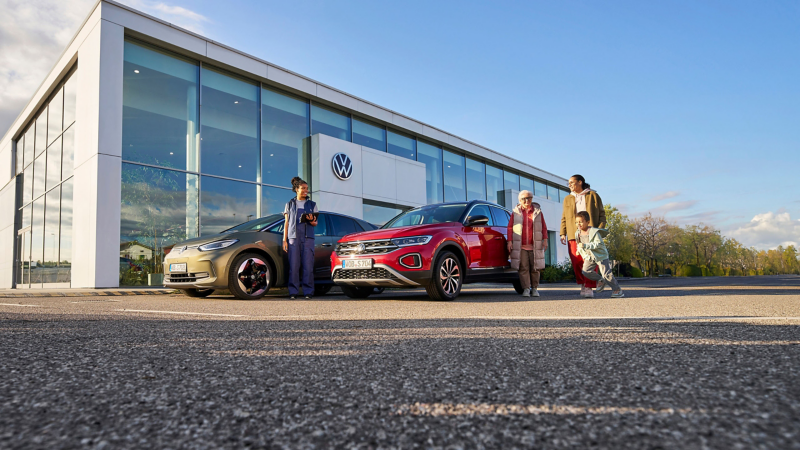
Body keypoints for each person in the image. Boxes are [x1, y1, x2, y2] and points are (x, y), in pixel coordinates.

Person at [560, 174, 606, 298]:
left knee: (590, 260)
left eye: (571, 182)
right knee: (576, 261)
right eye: (568, 183)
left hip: (590, 233)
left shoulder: (593, 195)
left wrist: (599, 231)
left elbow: (602, 214)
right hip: (573, 234)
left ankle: (589, 286)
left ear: (580, 182)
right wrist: (562, 233)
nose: (569, 185)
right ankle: (583, 283)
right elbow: (564, 217)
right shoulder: (568, 199)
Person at [507, 190, 548, 297]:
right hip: (521, 246)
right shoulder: (515, 213)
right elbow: (510, 227)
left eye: (529, 198)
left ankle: (534, 288)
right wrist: (509, 241)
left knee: (535, 268)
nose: (527, 200)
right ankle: (526, 289)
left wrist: (546, 240)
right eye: (524, 198)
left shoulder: (538, 212)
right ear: (520, 200)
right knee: (523, 268)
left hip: (535, 245)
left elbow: (543, 227)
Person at [282, 177, 318, 299]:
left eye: (307, 189)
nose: (306, 191)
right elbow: (286, 223)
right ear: (297, 189)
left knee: (308, 266)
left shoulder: (312, 205)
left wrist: (311, 220)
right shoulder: (289, 204)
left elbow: (315, 223)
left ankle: (308, 292)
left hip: (308, 238)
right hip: (293, 238)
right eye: (303, 188)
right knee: (294, 266)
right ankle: (293, 292)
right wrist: (284, 240)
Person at [575, 211, 624, 298]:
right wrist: (579, 250)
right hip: (589, 257)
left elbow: (599, 244)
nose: (579, 224)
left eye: (581, 221)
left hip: (600, 256)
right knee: (585, 271)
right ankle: (600, 280)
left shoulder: (594, 232)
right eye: (577, 222)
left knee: (607, 274)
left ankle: (617, 290)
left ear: (588, 222)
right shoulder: (578, 233)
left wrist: (585, 245)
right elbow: (579, 243)